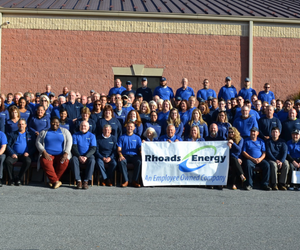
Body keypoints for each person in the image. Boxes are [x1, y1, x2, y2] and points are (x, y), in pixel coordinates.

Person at [36, 117, 72, 189]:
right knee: (45, 162)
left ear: (59, 124)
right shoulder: (44, 132)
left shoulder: (65, 131)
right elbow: (38, 142)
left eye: (56, 123)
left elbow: (69, 142)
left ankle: (53, 181)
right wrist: (44, 152)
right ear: (50, 123)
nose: (55, 124)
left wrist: (66, 153)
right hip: (48, 154)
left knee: (64, 162)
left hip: (61, 154)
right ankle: (56, 181)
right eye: (53, 122)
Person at [5, 119, 35, 186]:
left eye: (22, 124)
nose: (21, 125)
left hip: (25, 155)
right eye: (20, 124)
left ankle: (19, 178)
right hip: (15, 154)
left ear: (25, 125)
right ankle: (12, 179)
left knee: (28, 161)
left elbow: (34, 147)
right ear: (17, 125)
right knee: (7, 161)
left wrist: (29, 153)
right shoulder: (13, 134)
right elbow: (8, 145)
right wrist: (12, 153)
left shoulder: (30, 134)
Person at [70, 121, 96, 190]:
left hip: (88, 156)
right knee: (73, 160)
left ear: (88, 127)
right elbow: (74, 147)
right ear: (79, 127)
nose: (83, 127)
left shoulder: (92, 136)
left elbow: (93, 148)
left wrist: (86, 156)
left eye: (85, 126)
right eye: (82, 125)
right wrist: (79, 156)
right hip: (78, 155)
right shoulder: (75, 135)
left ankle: (86, 181)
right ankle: (78, 181)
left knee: (92, 160)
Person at [117, 121, 142, 187]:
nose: (130, 128)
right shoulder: (122, 137)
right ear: (126, 127)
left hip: (134, 156)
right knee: (121, 161)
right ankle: (126, 181)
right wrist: (120, 155)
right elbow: (119, 149)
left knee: (139, 162)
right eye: (128, 126)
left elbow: (140, 148)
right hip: (125, 155)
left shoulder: (137, 138)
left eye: (131, 126)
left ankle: (135, 181)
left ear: (134, 128)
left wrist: (141, 150)